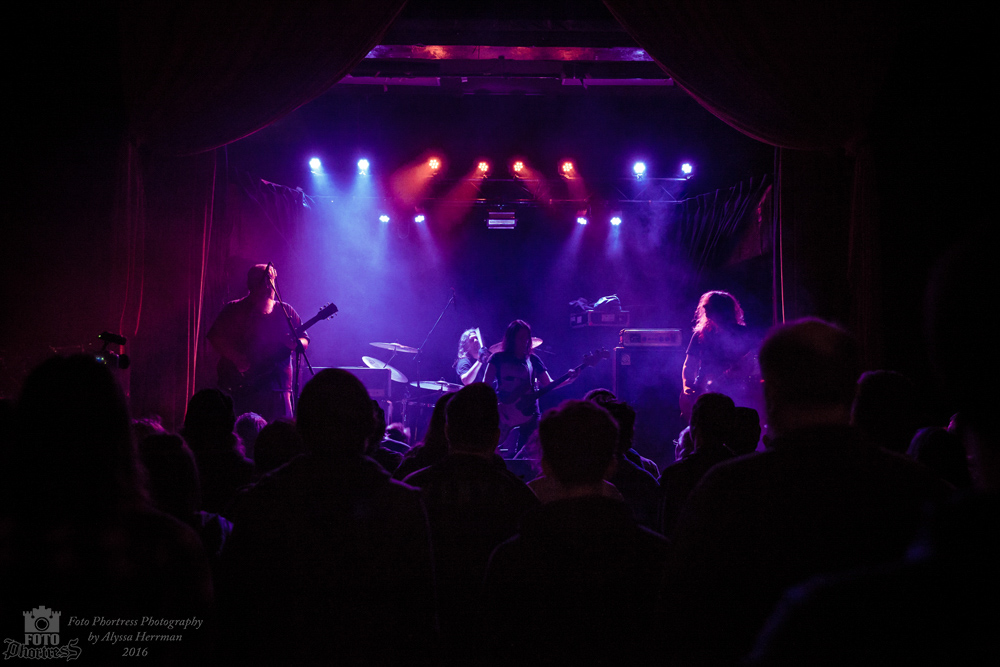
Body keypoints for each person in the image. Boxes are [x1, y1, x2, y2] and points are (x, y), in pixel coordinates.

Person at [661, 318, 951, 666]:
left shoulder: (724, 491)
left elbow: (681, 623)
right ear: (853, 391)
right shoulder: (919, 487)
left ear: (770, 394)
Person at [219, 368, 438, 665]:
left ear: (303, 427)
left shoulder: (260, 502)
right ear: (369, 429)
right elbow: (419, 623)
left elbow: (234, 615)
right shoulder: (402, 505)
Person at [207, 263, 309, 422]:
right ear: (253, 284)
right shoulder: (235, 309)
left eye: (271, 280)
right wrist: (236, 358)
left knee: (279, 434)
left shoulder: (285, 311)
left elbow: (304, 339)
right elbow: (215, 337)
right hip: (244, 388)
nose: (269, 285)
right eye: (264, 280)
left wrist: (296, 344)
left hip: (278, 388)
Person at [484, 320, 577, 457]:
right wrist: (494, 408)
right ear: (511, 338)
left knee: (531, 456)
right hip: (503, 414)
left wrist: (569, 380)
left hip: (530, 417)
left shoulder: (533, 360)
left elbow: (548, 383)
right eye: (521, 338)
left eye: (527, 338)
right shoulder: (497, 358)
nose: (525, 342)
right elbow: (485, 387)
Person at [680, 290, 759, 419]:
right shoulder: (700, 334)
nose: (705, 309)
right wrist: (687, 387)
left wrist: (728, 377)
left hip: (735, 392)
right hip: (703, 392)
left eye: (709, 306)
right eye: (704, 306)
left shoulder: (743, 334)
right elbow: (689, 364)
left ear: (722, 309)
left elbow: (750, 364)